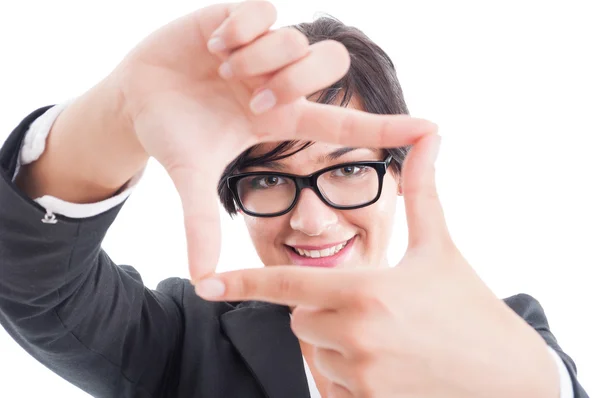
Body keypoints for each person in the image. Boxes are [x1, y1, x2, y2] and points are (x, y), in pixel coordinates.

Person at [0, 1, 588, 397]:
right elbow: (37, 285)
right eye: (267, 180)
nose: (311, 220)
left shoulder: (504, 333)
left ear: (401, 171)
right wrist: (116, 113)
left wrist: (521, 381)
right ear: (232, 194)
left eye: (350, 168)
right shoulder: (186, 340)